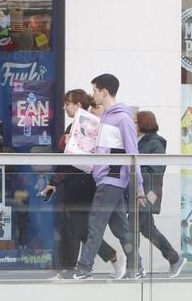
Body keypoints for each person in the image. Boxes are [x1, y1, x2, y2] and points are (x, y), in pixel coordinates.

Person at [57, 73, 145, 280]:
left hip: (111, 179)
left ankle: (84, 268)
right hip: (106, 178)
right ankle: (137, 267)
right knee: (119, 227)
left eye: (95, 90)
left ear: (104, 92)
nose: (92, 94)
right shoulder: (105, 117)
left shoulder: (122, 119)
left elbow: (133, 153)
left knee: (95, 224)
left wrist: (139, 186)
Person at [43, 89, 125, 278]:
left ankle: (93, 263)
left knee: (81, 227)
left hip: (85, 183)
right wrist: (54, 182)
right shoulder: (76, 126)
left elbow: (73, 159)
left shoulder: (88, 125)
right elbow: (66, 160)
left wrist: (54, 180)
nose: (65, 107)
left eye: (67, 103)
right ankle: (103, 259)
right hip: (76, 182)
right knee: (79, 227)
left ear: (78, 105)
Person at [135, 110, 186, 277]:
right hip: (140, 191)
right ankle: (173, 258)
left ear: (143, 123)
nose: (133, 125)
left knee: (132, 226)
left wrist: (133, 168)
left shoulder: (156, 143)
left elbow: (156, 168)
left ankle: (135, 265)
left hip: (149, 192)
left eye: (135, 122)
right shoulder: (141, 141)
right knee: (146, 228)